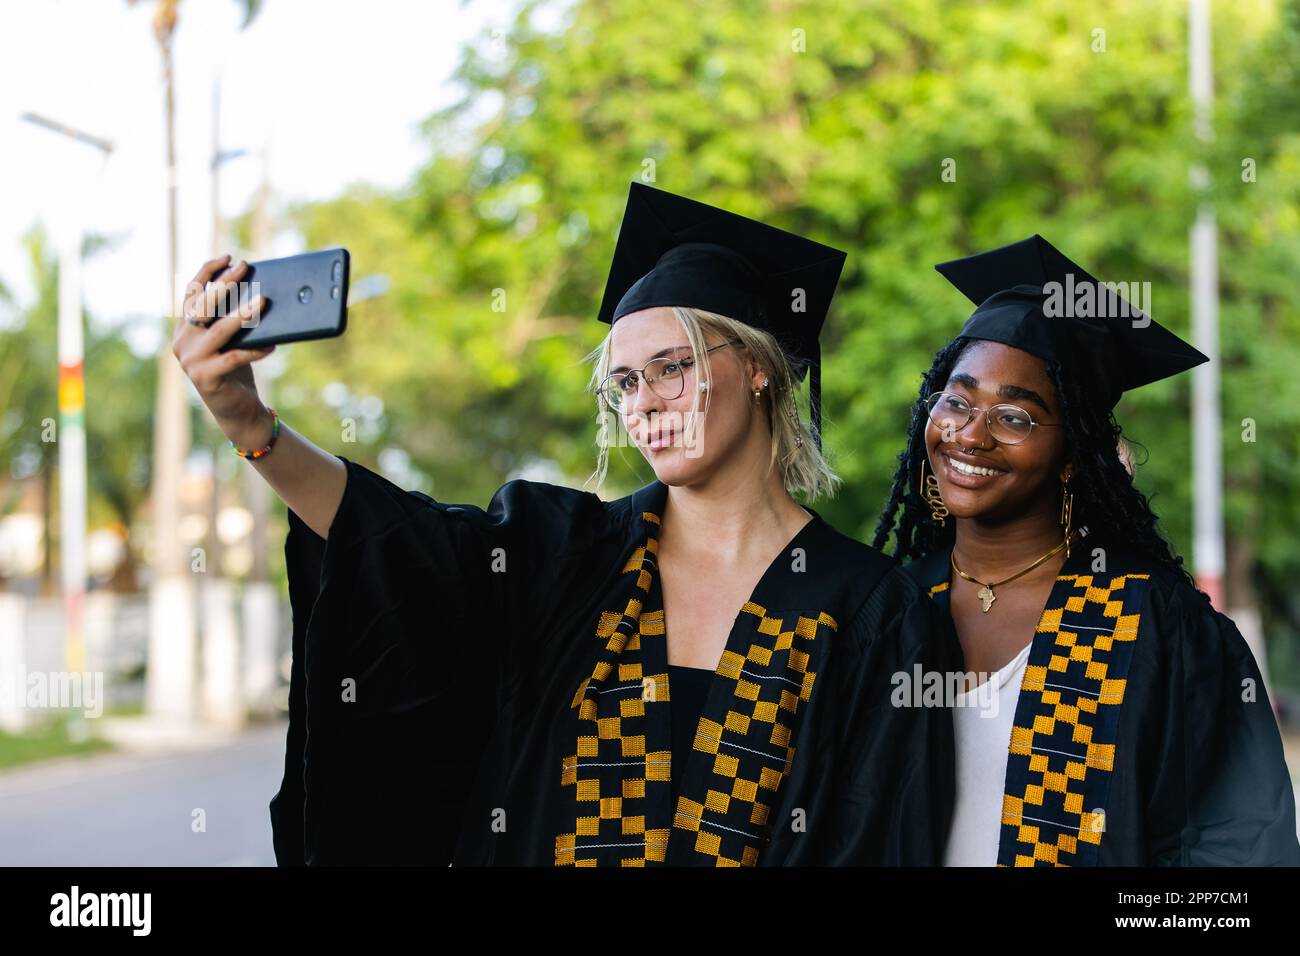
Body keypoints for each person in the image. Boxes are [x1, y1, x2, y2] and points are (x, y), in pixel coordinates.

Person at [172, 181, 958, 866]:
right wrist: (247, 420)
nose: (644, 400)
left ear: (758, 367)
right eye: (622, 381)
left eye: (672, 367)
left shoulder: (872, 611)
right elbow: (396, 540)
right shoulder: (563, 558)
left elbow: (879, 840)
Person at [872, 234, 1300, 866]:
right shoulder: (887, 609)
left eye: (1015, 418)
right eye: (957, 401)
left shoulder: (1158, 628)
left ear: (1075, 454)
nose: (970, 434)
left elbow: (1243, 855)